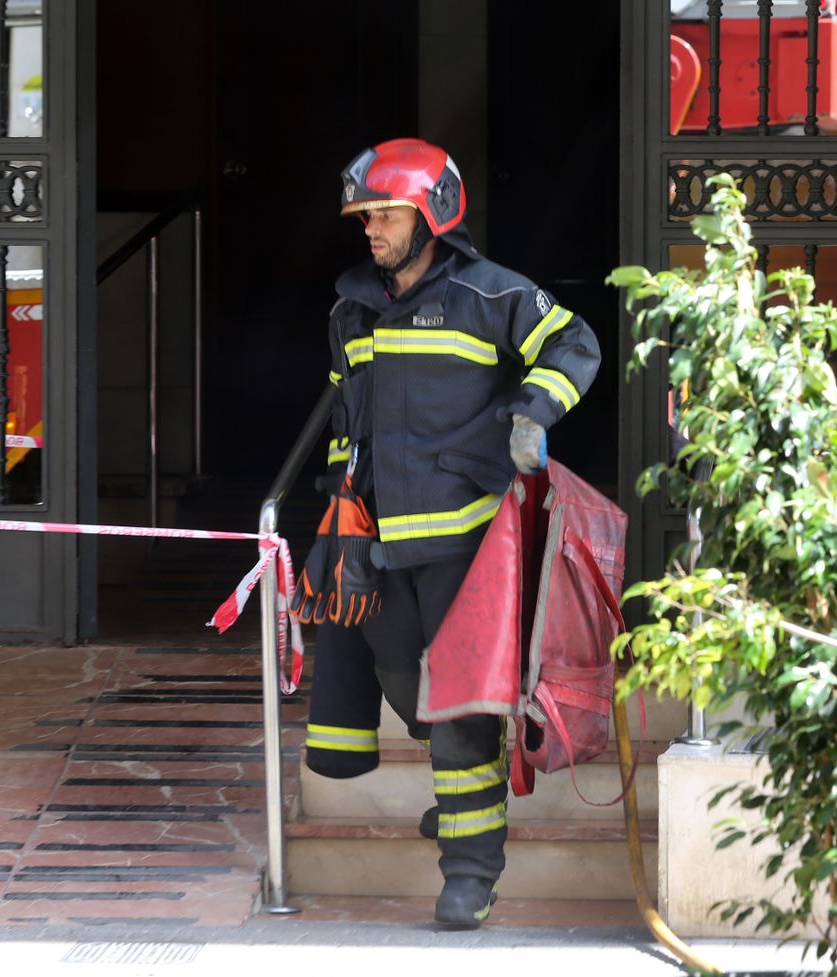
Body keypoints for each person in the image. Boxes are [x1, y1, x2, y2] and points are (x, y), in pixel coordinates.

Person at [323, 138, 600, 928]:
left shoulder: (491, 295)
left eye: (383, 214)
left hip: (466, 546)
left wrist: (531, 412)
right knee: (408, 692)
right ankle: (460, 788)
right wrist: (336, 522)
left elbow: (575, 342)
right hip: (376, 545)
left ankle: (471, 875)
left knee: (460, 714)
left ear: (431, 215)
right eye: (364, 216)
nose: (369, 230)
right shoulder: (350, 309)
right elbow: (350, 421)